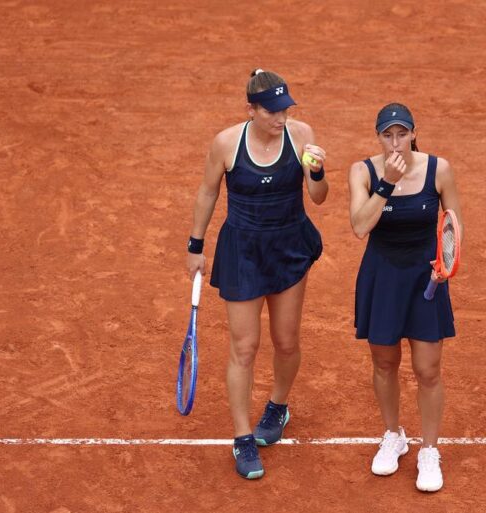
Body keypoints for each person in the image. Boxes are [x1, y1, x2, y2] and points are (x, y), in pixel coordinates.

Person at [186, 69, 328, 480]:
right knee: (243, 347)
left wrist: (317, 173)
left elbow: (319, 198)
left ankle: (278, 407)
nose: (281, 118)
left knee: (286, 341)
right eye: (273, 112)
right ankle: (243, 438)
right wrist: (195, 246)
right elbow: (208, 191)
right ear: (251, 110)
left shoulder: (301, 135)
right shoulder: (227, 143)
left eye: (286, 109)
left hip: (288, 247)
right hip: (243, 251)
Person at [348, 103, 463, 492]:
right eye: (387, 135)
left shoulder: (439, 169)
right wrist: (386, 184)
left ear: (414, 133)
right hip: (382, 278)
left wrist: (445, 263)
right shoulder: (363, 172)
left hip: (424, 277)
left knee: (428, 369)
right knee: (384, 363)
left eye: (402, 133)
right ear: (378, 136)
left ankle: (429, 450)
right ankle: (393, 435)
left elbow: (453, 224)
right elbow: (360, 226)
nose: (395, 142)